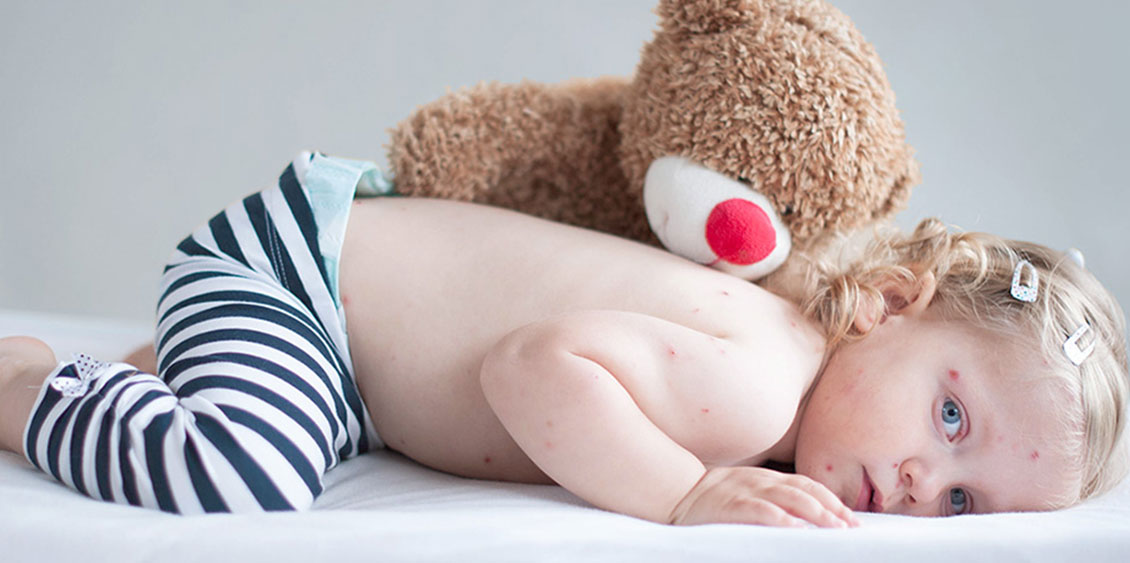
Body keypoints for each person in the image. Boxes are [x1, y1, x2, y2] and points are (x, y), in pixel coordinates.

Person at [0, 153, 1126, 526]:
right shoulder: (755, 387)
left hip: (354, 343)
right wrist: (683, 493)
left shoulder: (785, 384)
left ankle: (155, 374)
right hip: (298, 275)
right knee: (247, 470)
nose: (923, 483)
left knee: (309, 428)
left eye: (963, 504)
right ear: (883, 303)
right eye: (948, 414)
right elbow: (529, 365)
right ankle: (26, 381)